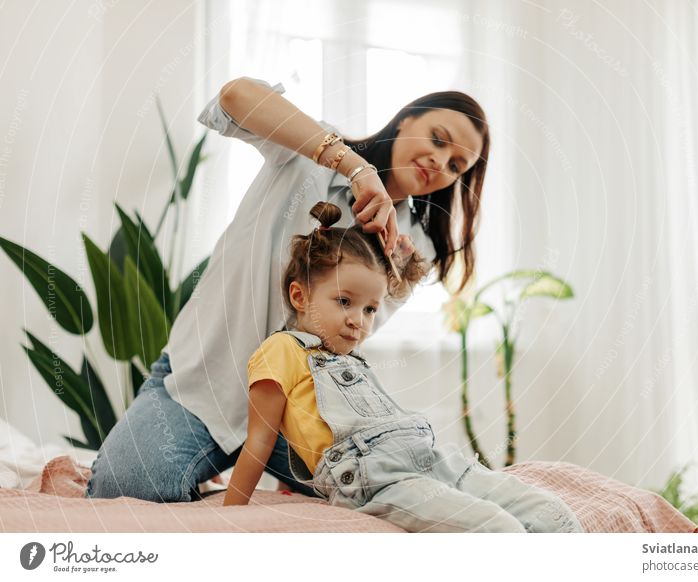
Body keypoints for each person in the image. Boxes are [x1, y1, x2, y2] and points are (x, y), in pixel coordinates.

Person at [86, 77, 491, 502]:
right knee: (122, 490)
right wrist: (355, 168)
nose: (439, 161)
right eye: (438, 139)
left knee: (405, 497)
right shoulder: (308, 154)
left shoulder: (411, 245)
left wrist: (393, 280)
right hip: (202, 387)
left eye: (455, 166)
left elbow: (343, 343)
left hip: (304, 416)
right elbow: (235, 96)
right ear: (407, 118)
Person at [223, 201, 582, 533]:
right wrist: (229, 519)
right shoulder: (281, 350)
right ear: (300, 296)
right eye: (344, 301)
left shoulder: (348, 359)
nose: (358, 321)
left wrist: (403, 261)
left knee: (552, 515)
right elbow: (259, 440)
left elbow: (404, 277)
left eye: (370, 309)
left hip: (428, 455)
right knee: (498, 529)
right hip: (374, 476)